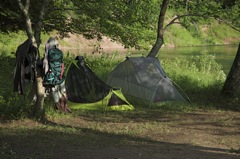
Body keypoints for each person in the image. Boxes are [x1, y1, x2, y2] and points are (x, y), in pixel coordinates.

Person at [43, 37, 71, 113]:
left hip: (52, 76)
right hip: (60, 75)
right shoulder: (59, 52)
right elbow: (62, 64)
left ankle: (59, 107)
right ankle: (65, 106)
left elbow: (45, 66)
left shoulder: (48, 53)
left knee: (54, 90)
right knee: (62, 91)